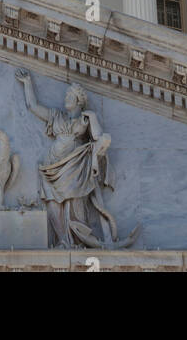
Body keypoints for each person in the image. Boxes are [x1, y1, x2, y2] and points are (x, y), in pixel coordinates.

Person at [15, 69, 118, 247]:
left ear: (79, 101)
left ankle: (77, 240)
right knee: (52, 201)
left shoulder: (85, 120)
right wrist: (27, 83)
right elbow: (33, 107)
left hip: (75, 166)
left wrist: (92, 117)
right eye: (67, 96)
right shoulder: (56, 116)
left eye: (70, 96)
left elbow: (99, 137)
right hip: (52, 167)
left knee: (75, 207)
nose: (66, 99)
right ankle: (63, 239)